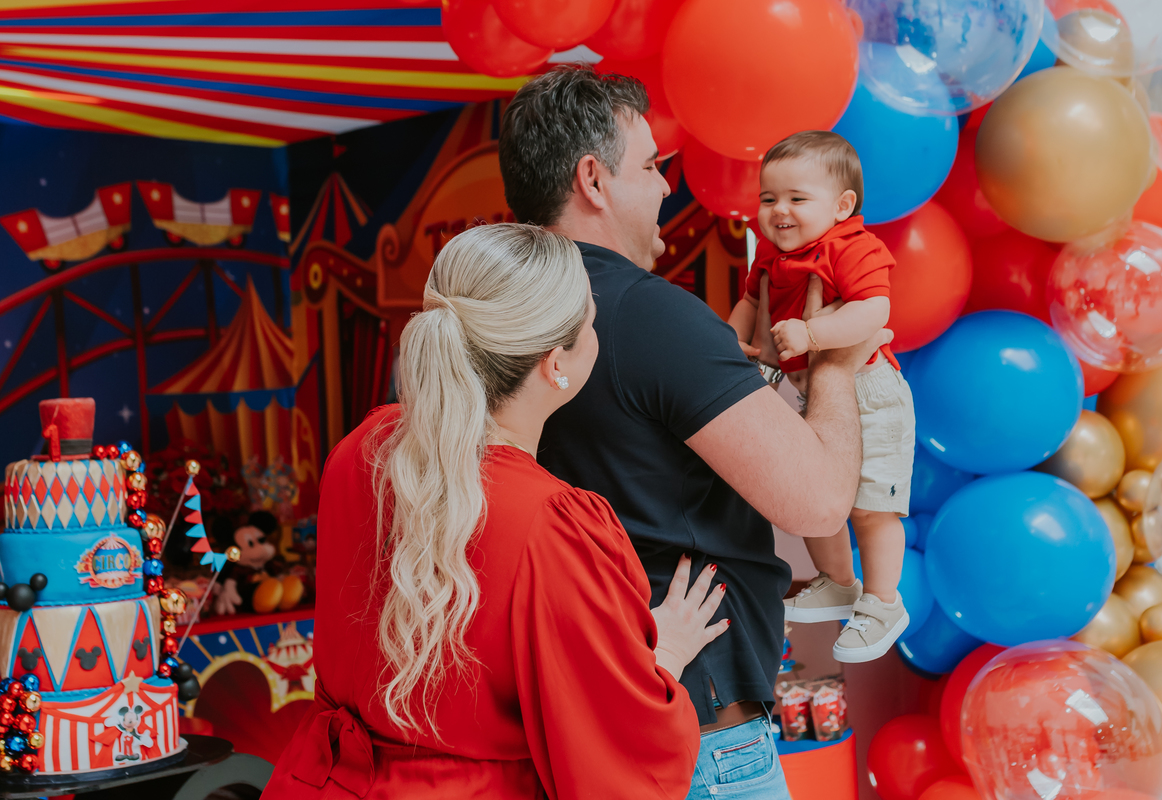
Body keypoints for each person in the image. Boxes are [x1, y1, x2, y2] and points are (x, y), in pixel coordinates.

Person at [500, 66, 891, 799]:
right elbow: (817, 503)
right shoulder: (646, 312)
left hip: (566, 727)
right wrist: (835, 356)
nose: (665, 187)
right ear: (593, 180)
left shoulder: (496, 310)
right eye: (651, 166)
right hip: (696, 736)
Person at [262, 224, 729, 800]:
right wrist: (665, 656)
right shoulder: (551, 523)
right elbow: (618, 761)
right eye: (591, 321)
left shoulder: (361, 449)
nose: (596, 331)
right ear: (555, 364)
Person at [727, 131, 917, 663]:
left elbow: (873, 312)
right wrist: (731, 338)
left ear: (842, 206)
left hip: (869, 389)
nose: (779, 211)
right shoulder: (770, 254)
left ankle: (883, 602)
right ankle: (837, 580)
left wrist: (812, 335)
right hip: (814, 393)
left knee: (872, 506)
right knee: (817, 497)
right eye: (768, 198)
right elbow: (751, 301)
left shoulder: (851, 247)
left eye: (796, 198)